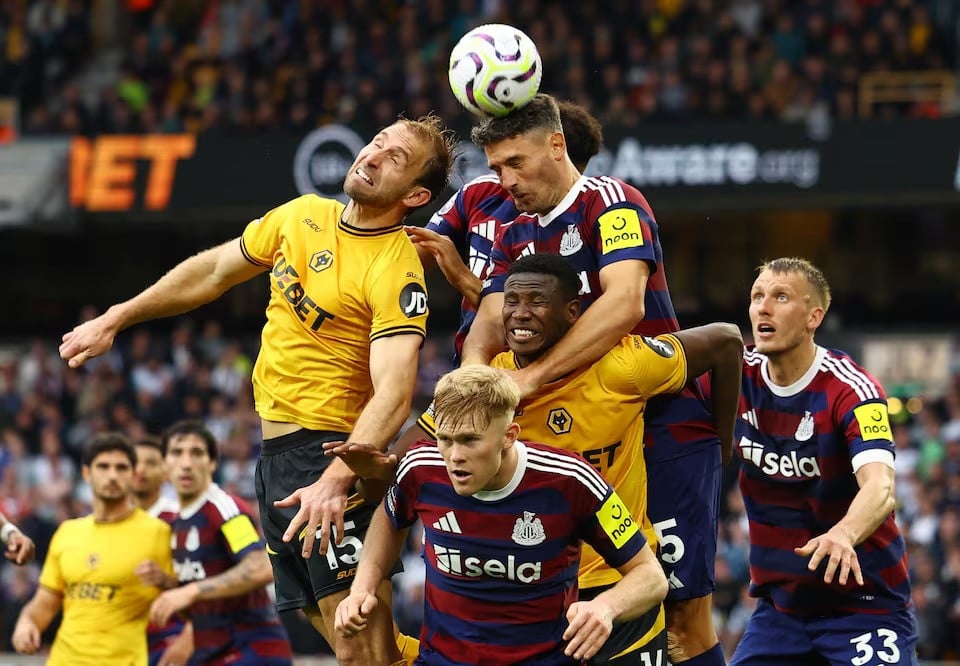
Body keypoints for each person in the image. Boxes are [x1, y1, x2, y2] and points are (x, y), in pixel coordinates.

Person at [58, 115, 456, 664]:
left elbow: (394, 391)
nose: (373, 154)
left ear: (414, 193)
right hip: (276, 463)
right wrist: (116, 318)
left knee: (360, 650)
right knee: (362, 648)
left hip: (329, 456)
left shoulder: (396, 270)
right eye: (378, 141)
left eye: (395, 157)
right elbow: (213, 271)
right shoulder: (301, 215)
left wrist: (337, 479)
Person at [330, 253, 743, 663]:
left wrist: (719, 446)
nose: (520, 315)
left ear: (572, 311)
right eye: (512, 301)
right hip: (529, 594)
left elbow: (726, 341)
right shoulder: (485, 391)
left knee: (691, 630)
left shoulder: (623, 365)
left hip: (615, 581)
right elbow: (403, 477)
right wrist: (368, 477)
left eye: (537, 302)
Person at [462, 94, 726, 664]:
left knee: (680, 618)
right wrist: (470, 397)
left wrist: (529, 385)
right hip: (577, 439)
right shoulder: (512, 235)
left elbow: (625, 304)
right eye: (496, 169)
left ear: (557, 145)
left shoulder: (614, 202)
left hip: (662, 430)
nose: (505, 181)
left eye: (515, 163)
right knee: (581, 607)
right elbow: (484, 328)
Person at [334, 364, 669, 664]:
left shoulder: (571, 481)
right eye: (445, 439)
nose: (454, 456)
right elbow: (389, 517)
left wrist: (606, 607)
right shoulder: (421, 467)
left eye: (469, 440)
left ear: (509, 436)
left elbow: (651, 577)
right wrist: (362, 587)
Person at [730, 258, 917, 665]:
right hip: (780, 612)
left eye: (780, 297)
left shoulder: (851, 389)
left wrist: (844, 534)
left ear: (815, 316)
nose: (763, 308)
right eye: (757, 297)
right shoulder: (735, 376)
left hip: (864, 605)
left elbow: (881, 487)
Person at [405, 100, 603, 362]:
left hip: (528, 372)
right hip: (473, 362)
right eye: (502, 167)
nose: (509, 179)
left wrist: (463, 277)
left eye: (517, 164)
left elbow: (518, 314)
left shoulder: (571, 227)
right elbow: (414, 252)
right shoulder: (481, 194)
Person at [11, 433, 174, 664]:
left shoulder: (159, 533)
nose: (112, 475)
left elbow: (186, 597)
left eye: (121, 468)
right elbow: (45, 602)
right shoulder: (67, 532)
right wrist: (27, 622)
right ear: (86, 474)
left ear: (133, 474)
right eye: (103, 467)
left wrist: (167, 583)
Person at [142, 419, 292, 665]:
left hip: (251, 650)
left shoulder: (223, 508)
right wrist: (168, 583)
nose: (186, 463)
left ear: (212, 463)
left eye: (197, 453)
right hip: (214, 651)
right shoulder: (177, 522)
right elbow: (205, 586)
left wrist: (189, 591)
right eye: (177, 453)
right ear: (164, 466)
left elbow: (261, 566)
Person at [132, 435, 191, 666]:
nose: (141, 470)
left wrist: (166, 580)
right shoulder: (103, 524)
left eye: (150, 463)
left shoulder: (180, 518)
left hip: (169, 631)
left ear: (166, 472)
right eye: (134, 463)